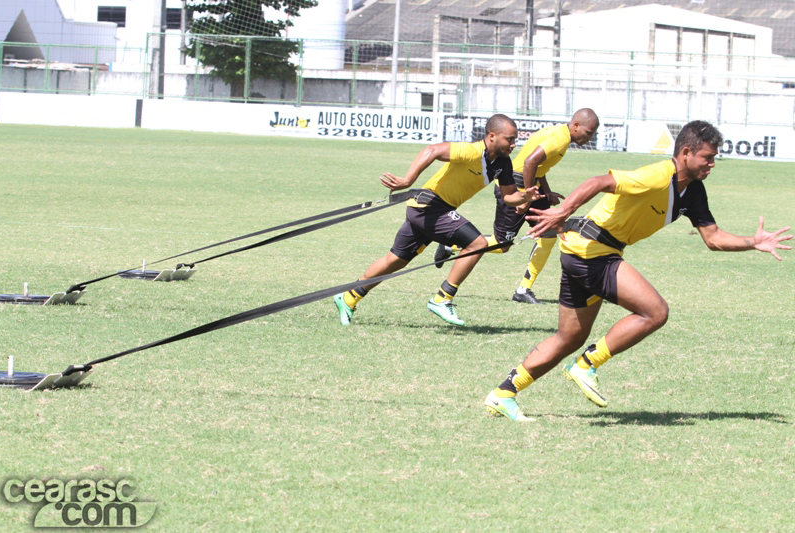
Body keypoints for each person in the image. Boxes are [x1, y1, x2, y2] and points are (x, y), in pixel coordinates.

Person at [483, 120, 792, 421]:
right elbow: (599, 182)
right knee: (655, 311)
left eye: (713, 159)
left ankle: (504, 394)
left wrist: (754, 242)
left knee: (568, 338)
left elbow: (713, 238)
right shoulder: (658, 175)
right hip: (592, 251)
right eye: (707, 158)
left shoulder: (693, 191)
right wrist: (562, 211)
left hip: (586, 251)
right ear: (686, 152)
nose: (711, 164)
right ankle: (587, 364)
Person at [333, 114, 539, 327]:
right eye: (509, 139)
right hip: (429, 206)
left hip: (430, 210)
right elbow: (431, 150)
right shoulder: (472, 151)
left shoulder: (503, 163)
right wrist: (407, 180)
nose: (514, 144)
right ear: (492, 136)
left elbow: (508, 197)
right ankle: (443, 298)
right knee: (478, 244)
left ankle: (349, 297)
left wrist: (525, 196)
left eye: (515, 139)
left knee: (395, 260)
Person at [433, 109, 600, 305]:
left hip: (530, 184)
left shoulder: (560, 133)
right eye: (588, 132)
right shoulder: (560, 138)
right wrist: (527, 198)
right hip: (517, 186)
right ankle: (453, 245)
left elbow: (539, 166)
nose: (589, 138)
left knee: (548, 233)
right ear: (576, 126)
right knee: (502, 244)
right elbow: (530, 162)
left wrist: (546, 192)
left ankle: (524, 289)